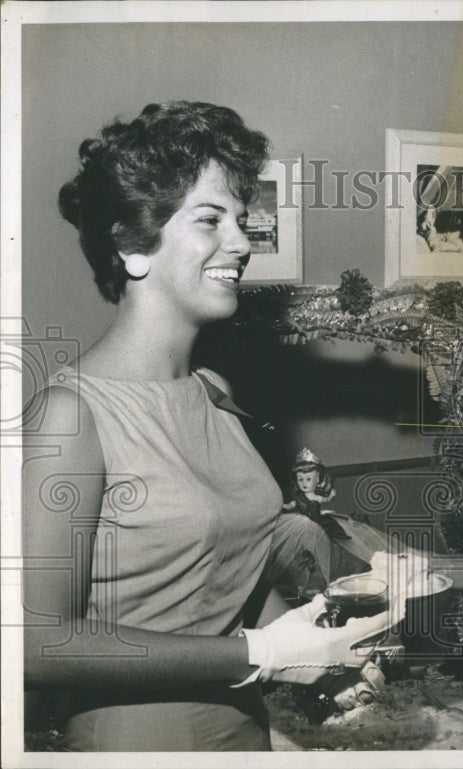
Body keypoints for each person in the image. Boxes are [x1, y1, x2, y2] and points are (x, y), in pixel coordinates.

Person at [21, 102, 394, 751]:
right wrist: (264, 650)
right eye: (211, 220)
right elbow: (38, 642)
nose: (244, 242)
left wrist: (319, 652)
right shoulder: (69, 413)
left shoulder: (215, 394)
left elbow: (230, 582)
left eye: (241, 221)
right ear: (133, 245)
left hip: (246, 734)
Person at [266, 447, 388, 601]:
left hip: (319, 522)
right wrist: (281, 507)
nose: (304, 483)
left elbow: (322, 503)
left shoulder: (317, 496)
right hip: (302, 525)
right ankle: (309, 584)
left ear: (317, 479)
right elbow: (290, 506)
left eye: (308, 479)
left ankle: (325, 580)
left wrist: (324, 511)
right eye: (300, 479)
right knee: (304, 555)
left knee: (333, 547)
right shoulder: (298, 497)